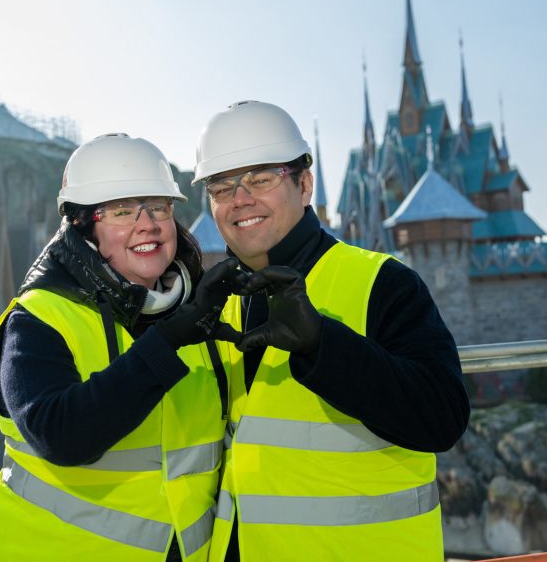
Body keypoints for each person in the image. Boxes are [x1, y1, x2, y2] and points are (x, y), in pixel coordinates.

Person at [195, 101, 471, 561]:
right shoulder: (220, 298)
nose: (240, 199)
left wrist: (323, 345)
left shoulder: (382, 281)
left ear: (305, 185)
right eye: (222, 188)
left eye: (261, 180)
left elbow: (441, 417)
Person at [0, 133, 243, 561]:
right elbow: (61, 435)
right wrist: (167, 342)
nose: (148, 223)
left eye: (159, 207)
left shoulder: (198, 314)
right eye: (122, 211)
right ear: (84, 226)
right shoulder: (39, 319)